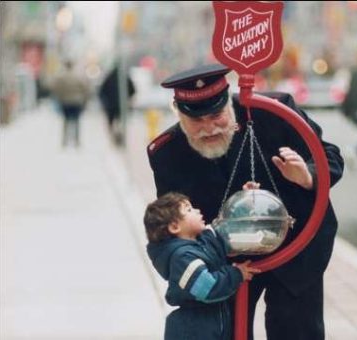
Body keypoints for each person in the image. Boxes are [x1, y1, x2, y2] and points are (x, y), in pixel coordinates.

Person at [147, 63, 344, 340]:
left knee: (297, 330)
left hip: (296, 250)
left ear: (229, 103)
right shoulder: (166, 152)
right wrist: (188, 267)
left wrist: (307, 176)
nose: (208, 128)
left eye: (216, 116)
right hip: (225, 264)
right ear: (178, 114)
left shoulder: (275, 111)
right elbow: (171, 225)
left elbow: (331, 158)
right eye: (196, 121)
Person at [144, 192, 260, 340]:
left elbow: (228, 228)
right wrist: (236, 273)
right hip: (195, 330)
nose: (197, 210)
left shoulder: (203, 241)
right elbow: (207, 288)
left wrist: (247, 201)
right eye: (189, 210)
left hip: (213, 323)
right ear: (175, 227)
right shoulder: (182, 258)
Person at [51, 61, 90, 147]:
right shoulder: (78, 77)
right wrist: (84, 101)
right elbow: (85, 89)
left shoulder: (61, 77)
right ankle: (77, 141)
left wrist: (60, 98)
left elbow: (56, 89)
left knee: (66, 121)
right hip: (77, 102)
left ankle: (64, 141)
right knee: (76, 122)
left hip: (65, 102)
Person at [98, 65, 135, 145]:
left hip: (110, 106)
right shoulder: (125, 78)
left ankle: (115, 137)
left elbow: (101, 92)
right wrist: (128, 98)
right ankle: (120, 137)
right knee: (121, 122)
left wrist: (105, 102)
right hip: (121, 106)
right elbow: (133, 90)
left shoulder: (108, 78)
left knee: (111, 123)